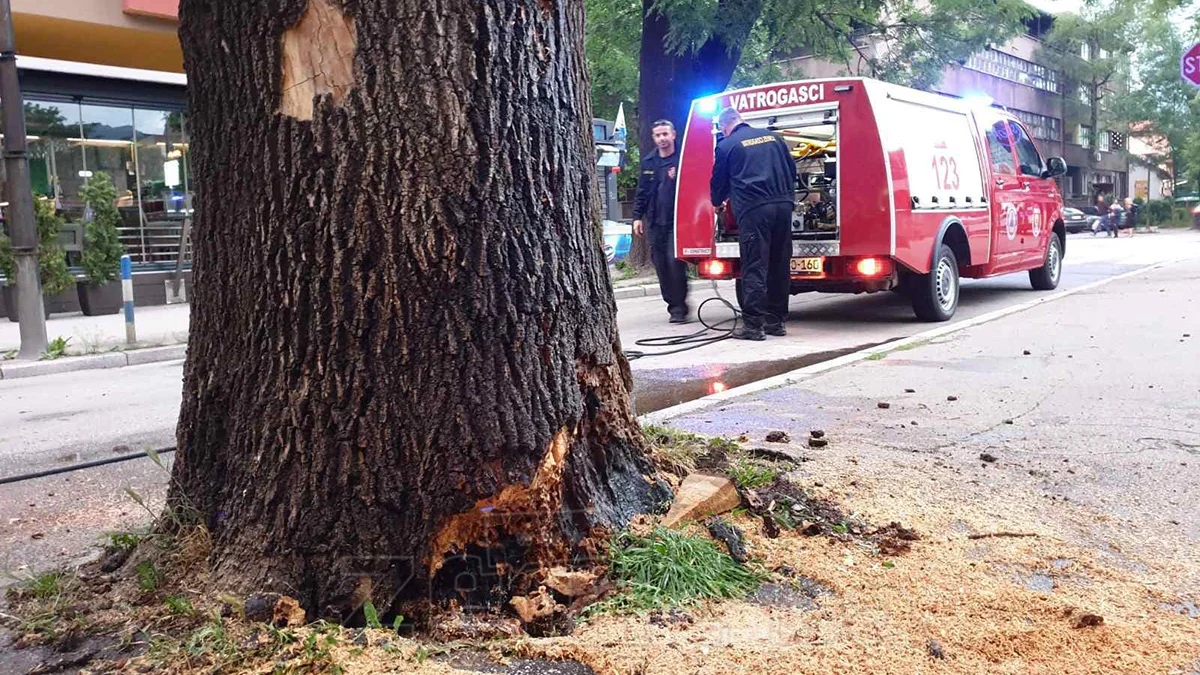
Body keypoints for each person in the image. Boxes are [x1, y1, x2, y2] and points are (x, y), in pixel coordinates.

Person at [710, 107, 797, 341]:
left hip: (754, 209)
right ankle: (776, 322)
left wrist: (717, 202)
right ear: (741, 120)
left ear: (724, 127)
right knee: (779, 264)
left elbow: (718, 181)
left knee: (755, 265)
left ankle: (753, 326)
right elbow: (792, 171)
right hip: (783, 206)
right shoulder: (774, 138)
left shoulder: (727, 145)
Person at [632, 119, 689, 324]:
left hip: (678, 221)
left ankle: (679, 309)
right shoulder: (649, 162)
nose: (662, 138)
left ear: (673, 134)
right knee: (661, 265)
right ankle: (671, 304)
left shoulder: (684, 157)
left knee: (674, 263)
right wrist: (637, 217)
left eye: (665, 134)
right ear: (653, 138)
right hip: (656, 221)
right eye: (658, 135)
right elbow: (642, 192)